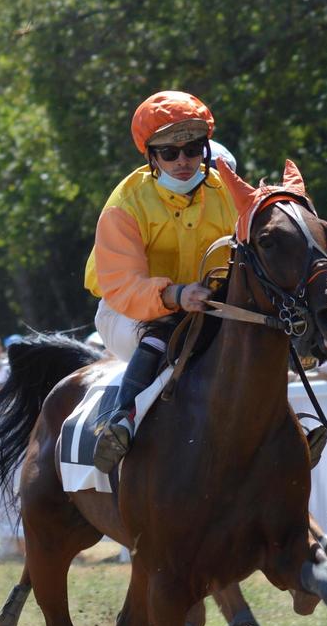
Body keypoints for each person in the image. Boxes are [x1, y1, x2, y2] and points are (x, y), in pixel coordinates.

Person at [84, 90, 235, 470]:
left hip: (206, 308)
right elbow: (122, 285)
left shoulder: (228, 194)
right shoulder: (125, 205)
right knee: (168, 332)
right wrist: (175, 295)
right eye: (170, 153)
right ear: (151, 155)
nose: (183, 161)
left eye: (193, 149)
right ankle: (120, 422)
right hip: (127, 312)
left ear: (206, 148)